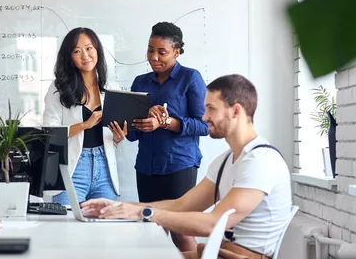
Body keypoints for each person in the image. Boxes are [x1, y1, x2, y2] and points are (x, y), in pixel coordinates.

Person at [82, 75, 292, 259]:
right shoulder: (226, 160)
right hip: (221, 252)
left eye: (211, 109)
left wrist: (144, 213)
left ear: (236, 111)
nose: (204, 117)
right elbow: (182, 205)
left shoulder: (260, 161)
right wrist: (118, 206)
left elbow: (213, 223)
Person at [120, 21, 208, 251]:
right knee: (150, 231)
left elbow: (204, 125)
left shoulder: (190, 78)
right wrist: (126, 129)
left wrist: (165, 122)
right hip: (146, 167)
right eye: (150, 50)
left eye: (162, 52)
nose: (154, 57)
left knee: (180, 231)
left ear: (176, 52)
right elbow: (133, 134)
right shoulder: (140, 82)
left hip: (179, 165)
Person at [43, 27, 126, 205]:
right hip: (73, 169)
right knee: (66, 228)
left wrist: (118, 138)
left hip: (104, 169)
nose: (85, 55)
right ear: (70, 58)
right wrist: (85, 125)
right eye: (77, 51)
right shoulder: (59, 88)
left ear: (97, 50)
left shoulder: (112, 87)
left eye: (89, 48)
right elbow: (49, 133)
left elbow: (111, 138)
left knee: (104, 229)